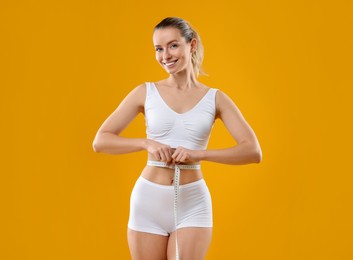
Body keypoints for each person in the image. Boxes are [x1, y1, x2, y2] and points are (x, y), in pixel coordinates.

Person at [92, 17, 262, 260]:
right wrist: (146, 143)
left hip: (193, 202)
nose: (165, 56)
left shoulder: (215, 98)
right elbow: (101, 141)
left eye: (173, 46)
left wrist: (199, 154)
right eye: (158, 49)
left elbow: (252, 152)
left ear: (191, 45)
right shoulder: (146, 92)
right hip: (148, 201)